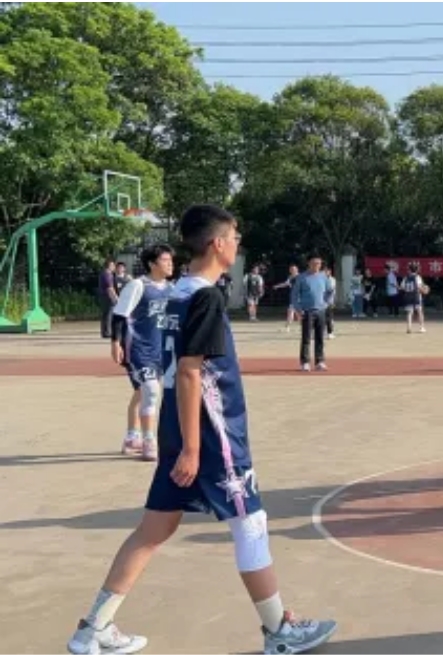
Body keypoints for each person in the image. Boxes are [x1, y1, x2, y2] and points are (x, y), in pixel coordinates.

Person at [65, 205, 336, 655]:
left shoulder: (176, 293)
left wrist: (182, 443)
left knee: (153, 529)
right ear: (217, 243)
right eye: (235, 236)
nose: (238, 243)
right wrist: (193, 448)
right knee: (250, 523)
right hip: (211, 434)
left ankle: (93, 628)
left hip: (178, 427)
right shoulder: (205, 297)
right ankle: (279, 631)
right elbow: (191, 371)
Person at [110, 244, 175, 461]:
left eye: (171, 260)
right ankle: (149, 440)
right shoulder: (137, 286)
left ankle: (132, 437)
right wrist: (115, 343)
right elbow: (119, 315)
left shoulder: (171, 288)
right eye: (165, 260)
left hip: (161, 351)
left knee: (142, 391)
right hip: (138, 349)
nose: (170, 264)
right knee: (151, 390)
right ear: (152, 264)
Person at [291, 256, 329, 372]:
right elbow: (294, 295)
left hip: (321, 311)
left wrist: (326, 303)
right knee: (306, 338)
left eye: (319, 263)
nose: (317, 266)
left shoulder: (323, 276)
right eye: (314, 263)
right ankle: (305, 362)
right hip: (307, 311)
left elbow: (329, 291)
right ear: (309, 263)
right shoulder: (301, 277)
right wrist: (298, 309)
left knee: (320, 338)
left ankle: (320, 361)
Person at [400, 262, 427, 333]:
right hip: (416, 296)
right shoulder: (417, 277)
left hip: (408, 296)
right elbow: (419, 287)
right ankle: (422, 327)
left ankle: (409, 327)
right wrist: (424, 291)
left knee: (409, 312)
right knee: (419, 312)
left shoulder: (405, 278)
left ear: (409, 269)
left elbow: (402, 287)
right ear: (417, 269)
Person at [272, 265, 299, 332]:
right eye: (291, 269)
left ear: (297, 270)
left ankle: (306, 327)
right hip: (293, 297)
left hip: (299, 297)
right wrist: (277, 286)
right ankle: (287, 327)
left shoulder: (300, 277)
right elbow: (286, 284)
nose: (292, 270)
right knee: (290, 312)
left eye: (293, 269)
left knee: (298, 313)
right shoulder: (290, 277)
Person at [98, 260, 119, 339]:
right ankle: (107, 332)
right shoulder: (108, 274)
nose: (114, 267)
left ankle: (104, 332)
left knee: (105, 315)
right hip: (108, 297)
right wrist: (116, 298)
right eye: (113, 265)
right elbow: (110, 288)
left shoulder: (103, 273)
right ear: (109, 266)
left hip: (103, 296)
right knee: (109, 315)